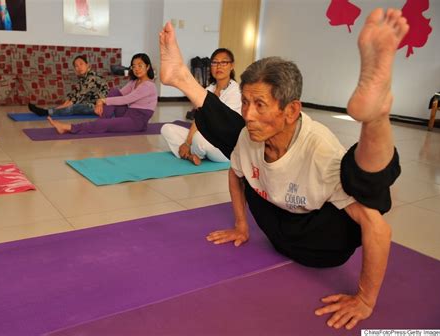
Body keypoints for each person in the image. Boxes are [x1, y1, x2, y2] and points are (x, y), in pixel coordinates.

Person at [159, 8, 408, 330]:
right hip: (275, 227)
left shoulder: (320, 151)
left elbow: (378, 228)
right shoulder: (248, 134)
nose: (249, 112)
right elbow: (235, 174)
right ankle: (182, 78)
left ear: (292, 111)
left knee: (356, 180)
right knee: (238, 134)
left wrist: (365, 299)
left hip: (320, 245)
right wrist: (240, 225)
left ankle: (376, 116)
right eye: (246, 102)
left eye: (260, 104)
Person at [161, 48, 241, 165]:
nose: (219, 66)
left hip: (225, 147)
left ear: (232, 66)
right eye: (215, 62)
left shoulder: (235, 91)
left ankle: (191, 153)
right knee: (167, 129)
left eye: (224, 62)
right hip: (205, 136)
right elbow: (199, 118)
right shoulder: (208, 89)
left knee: (199, 138)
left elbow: (218, 123)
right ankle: (191, 155)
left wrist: (189, 142)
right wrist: (188, 141)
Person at [47, 53, 157, 134]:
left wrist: (102, 100)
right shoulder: (134, 81)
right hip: (128, 114)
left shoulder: (149, 85)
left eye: (140, 65)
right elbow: (118, 94)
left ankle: (69, 127)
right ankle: (100, 123)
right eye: (134, 66)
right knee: (114, 91)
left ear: (147, 67)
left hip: (137, 122)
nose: (136, 69)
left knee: (106, 123)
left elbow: (127, 99)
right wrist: (100, 103)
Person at [28, 55, 108, 117]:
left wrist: (62, 107)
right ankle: (46, 110)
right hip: (89, 103)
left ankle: (46, 112)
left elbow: (76, 99)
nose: (79, 67)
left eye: (81, 64)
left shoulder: (92, 77)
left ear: (87, 65)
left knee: (73, 107)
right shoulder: (83, 78)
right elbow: (73, 95)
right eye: (76, 66)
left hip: (99, 107)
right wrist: (60, 106)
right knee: (67, 105)